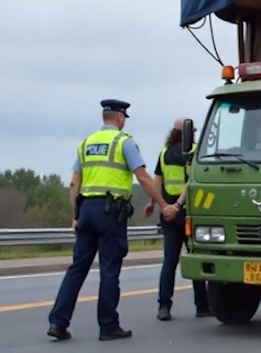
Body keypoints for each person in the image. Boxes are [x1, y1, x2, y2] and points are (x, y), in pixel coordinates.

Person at [47, 99, 177, 342]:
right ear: (119, 118)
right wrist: (163, 205)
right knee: (109, 270)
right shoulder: (123, 142)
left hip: (86, 210)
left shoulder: (86, 142)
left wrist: (75, 215)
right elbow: (144, 178)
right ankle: (108, 325)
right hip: (110, 213)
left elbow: (74, 183)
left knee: (77, 268)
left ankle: (58, 321)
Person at [144, 117, 212, 320]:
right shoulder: (194, 152)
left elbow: (157, 183)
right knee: (195, 259)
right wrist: (178, 206)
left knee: (169, 262)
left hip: (168, 215)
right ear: (189, 133)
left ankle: (164, 307)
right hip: (189, 213)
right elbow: (191, 182)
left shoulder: (164, 154)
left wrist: (154, 204)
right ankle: (201, 305)